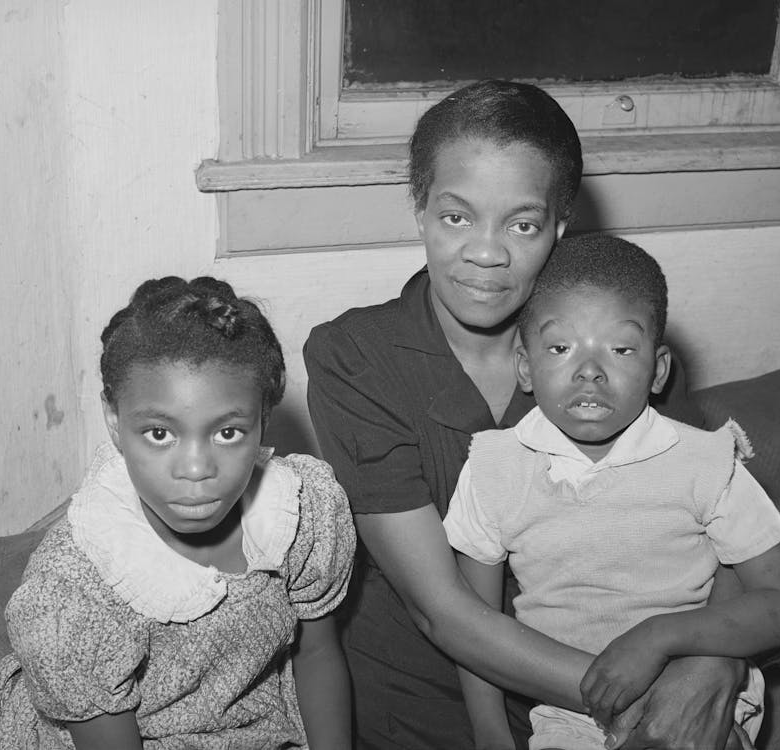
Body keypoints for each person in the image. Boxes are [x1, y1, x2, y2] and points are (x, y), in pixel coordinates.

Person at [303, 79, 751, 750]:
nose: (487, 253)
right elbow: (441, 610)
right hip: (431, 709)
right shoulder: (356, 360)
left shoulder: (618, 362)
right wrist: (650, 694)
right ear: (419, 210)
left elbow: (731, 549)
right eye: (457, 217)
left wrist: (713, 660)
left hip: (614, 675)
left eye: (522, 223)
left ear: (559, 229)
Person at [444, 234, 780, 750]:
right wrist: (489, 734)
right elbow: (474, 625)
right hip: (569, 716)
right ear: (525, 366)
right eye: (560, 348)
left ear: (658, 369)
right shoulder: (494, 468)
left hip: (698, 706)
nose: (590, 370)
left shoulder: (706, 461)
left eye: (620, 349)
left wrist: (662, 636)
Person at [0, 276, 355, 749]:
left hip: (252, 719)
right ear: (115, 422)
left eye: (228, 433)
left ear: (262, 420)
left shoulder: (301, 516)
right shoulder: (75, 595)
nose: (196, 469)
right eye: (159, 434)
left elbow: (317, 653)